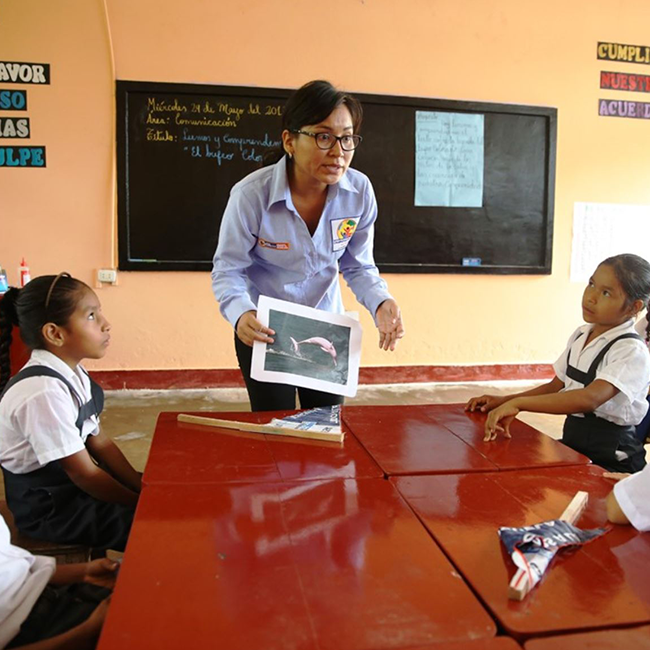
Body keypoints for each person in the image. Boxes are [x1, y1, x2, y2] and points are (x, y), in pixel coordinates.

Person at [212, 80, 405, 412]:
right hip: (265, 329)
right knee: (276, 427)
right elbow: (229, 269)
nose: (338, 152)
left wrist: (380, 302)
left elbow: (358, 265)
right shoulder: (251, 196)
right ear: (290, 140)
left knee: (325, 425)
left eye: (347, 138)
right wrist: (241, 312)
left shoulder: (359, 192)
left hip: (326, 329)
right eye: (323, 136)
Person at [465, 254, 650, 473]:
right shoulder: (582, 335)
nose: (591, 297)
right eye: (591, 284)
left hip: (614, 456)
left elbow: (589, 399)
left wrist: (520, 404)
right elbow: (556, 386)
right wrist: (503, 400)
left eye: (606, 293)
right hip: (575, 442)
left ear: (633, 307)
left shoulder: (630, 350)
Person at [0, 274, 140, 552]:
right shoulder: (42, 392)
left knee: (163, 505)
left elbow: (100, 442)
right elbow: (85, 475)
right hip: (51, 511)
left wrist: (141, 486)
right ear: (55, 333)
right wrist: (140, 503)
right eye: (91, 315)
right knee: (156, 527)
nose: (105, 324)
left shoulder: (72, 372)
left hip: (73, 493)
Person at [0, 513, 114, 650]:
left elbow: (12, 564)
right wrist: (86, 632)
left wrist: (84, 572)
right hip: (44, 637)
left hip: (55, 596)